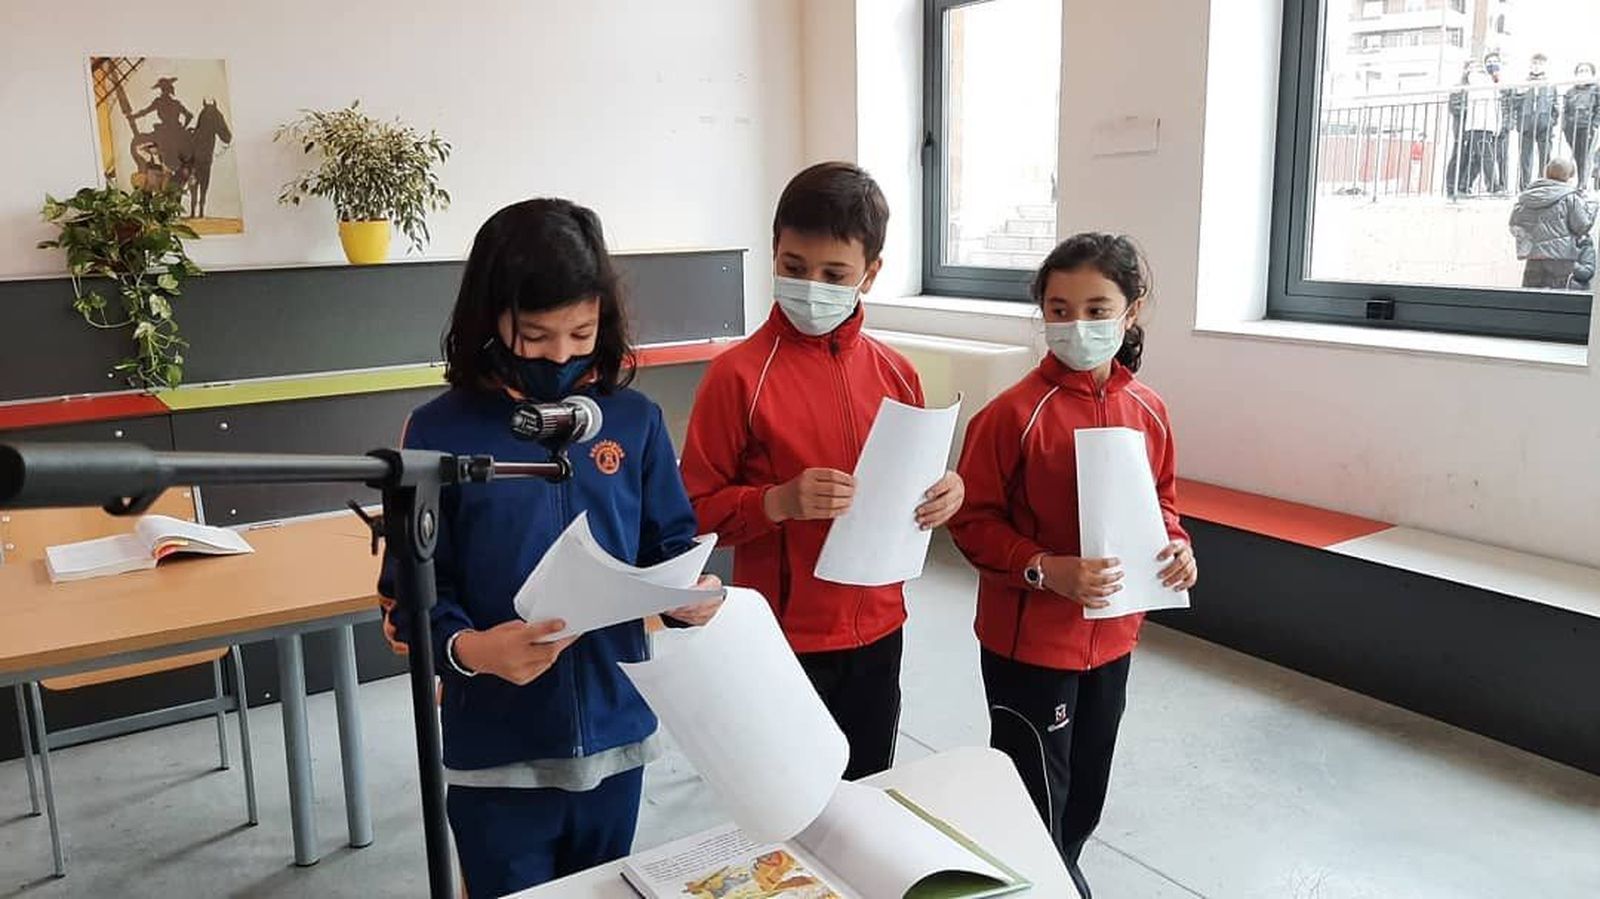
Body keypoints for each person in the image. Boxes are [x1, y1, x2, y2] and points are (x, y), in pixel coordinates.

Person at [377, 198, 723, 898]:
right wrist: (475, 651)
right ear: (490, 318)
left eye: (581, 331)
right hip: (496, 753)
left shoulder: (634, 420)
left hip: (618, 736)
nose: (561, 354)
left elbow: (672, 541)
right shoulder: (440, 430)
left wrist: (692, 594)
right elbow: (404, 602)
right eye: (535, 335)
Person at [680, 162, 965, 781]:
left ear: (871, 272)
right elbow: (693, 514)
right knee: (789, 801)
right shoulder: (738, 376)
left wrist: (948, 492)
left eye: (834, 274)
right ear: (775, 252)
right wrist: (775, 502)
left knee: (866, 790)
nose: (811, 286)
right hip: (782, 637)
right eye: (793, 267)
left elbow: (914, 488)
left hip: (880, 625)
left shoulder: (897, 374)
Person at [949, 233, 1196, 899]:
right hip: (1030, 648)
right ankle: (1047, 884)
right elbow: (969, 523)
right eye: (1058, 309)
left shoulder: (1149, 409)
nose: (1075, 325)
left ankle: (1059, 870)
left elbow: (1163, 501)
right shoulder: (1011, 416)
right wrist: (1042, 568)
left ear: (1131, 311)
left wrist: (1178, 547)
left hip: (1115, 637)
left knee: (1085, 790)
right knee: (1033, 796)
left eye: (1095, 308)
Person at [1509, 158, 1599, 289]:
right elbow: (1581, 226)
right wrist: (1592, 207)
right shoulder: (1570, 198)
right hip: (1562, 260)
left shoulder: (1527, 197)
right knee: (1557, 302)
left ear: (1546, 172)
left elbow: (1514, 224)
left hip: (1533, 259)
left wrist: (1532, 240)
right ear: (1569, 176)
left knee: (1531, 301)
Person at [1518, 54, 1559, 191]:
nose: (1537, 66)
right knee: (1525, 156)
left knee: (1545, 155)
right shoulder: (1523, 82)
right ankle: (1524, 186)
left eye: (1540, 64)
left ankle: (1543, 183)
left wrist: (1552, 121)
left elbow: (1555, 104)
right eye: (1534, 63)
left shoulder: (1550, 84)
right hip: (1527, 121)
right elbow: (1516, 101)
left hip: (1544, 122)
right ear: (1530, 65)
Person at [1460, 63, 1502, 196]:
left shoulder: (1492, 84)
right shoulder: (1477, 80)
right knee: (1486, 156)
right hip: (1478, 125)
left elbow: (1496, 105)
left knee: (1479, 158)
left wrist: (1497, 125)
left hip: (1486, 125)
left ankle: (1464, 184)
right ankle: (1493, 186)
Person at [1562, 63, 1600, 191]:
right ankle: (1580, 181)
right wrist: (1565, 126)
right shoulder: (1570, 91)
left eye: (1586, 70)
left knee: (1586, 154)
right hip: (1572, 127)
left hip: (1588, 126)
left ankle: (1584, 183)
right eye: (1580, 71)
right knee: (1578, 155)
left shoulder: (1596, 89)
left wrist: (1594, 124)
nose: (1583, 73)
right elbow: (1566, 110)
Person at [1486, 51, 1514, 194]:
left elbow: (1511, 105)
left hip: (1502, 125)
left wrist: (1507, 124)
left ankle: (1503, 185)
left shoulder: (1506, 83)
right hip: (1487, 124)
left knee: (1502, 156)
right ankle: (1491, 185)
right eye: (1489, 62)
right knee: (1487, 156)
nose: (1491, 64)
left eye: (1494, 61)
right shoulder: (1483, 82)